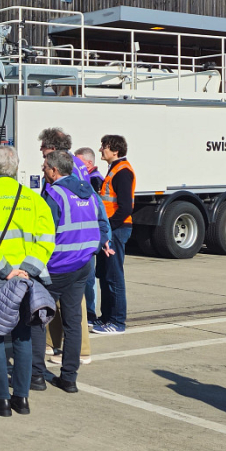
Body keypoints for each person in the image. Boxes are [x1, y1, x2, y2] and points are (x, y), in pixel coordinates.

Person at [0, 146, 55, 417]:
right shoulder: (34, 198)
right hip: (27, 280)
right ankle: (22, 398)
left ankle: (1, 399)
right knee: (23, 336)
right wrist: (27, 270)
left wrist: (5, 270)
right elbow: (47, 239)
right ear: (16, 169)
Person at [32, 151, 109, 394]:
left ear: (55, 171)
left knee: (37, 319)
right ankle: (69, 378)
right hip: (82, 265)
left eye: (45, 167)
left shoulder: (54, 194)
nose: (43, 170)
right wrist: (94, 249)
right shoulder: (88, 193)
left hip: (57, 266)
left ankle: (35, 376)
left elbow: (43, 233)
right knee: (73, 322)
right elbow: (100, 225)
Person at [93, 134, 134, 335]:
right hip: (112, 230)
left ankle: (117, 321)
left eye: (104, 147)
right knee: (106, 275)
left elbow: (126, 206)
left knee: (114, 275)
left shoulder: (122, 172)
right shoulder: (114, 169)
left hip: (117, 230)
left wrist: (108, 229)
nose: (101, 150)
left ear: (115, 150)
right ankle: (106, 317)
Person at [74, 146, 103, 324]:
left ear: (89, 163)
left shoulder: (94, 181)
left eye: (80, 162)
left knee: (89, 279)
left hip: (90, 236)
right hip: (85, 237)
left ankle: (90, 313)